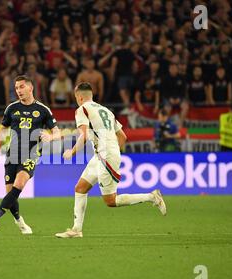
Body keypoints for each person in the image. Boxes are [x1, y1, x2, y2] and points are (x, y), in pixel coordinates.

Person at [55, 83, 166, 238]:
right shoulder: (106, 110)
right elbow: (123, 137)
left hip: (105, 155)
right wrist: (113, 151)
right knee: (80, 188)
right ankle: (76, 230)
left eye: (76, 98)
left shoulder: (82, 109)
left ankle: (151, 196)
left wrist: (72, 152)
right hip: (102, 155)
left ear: (79, 97)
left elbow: (84, 135)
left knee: (111, 201)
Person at [0, 75, 60, 234]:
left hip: (31, 154)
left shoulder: (42, 109)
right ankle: (19, 221)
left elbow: (57, 132)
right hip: (12, 154)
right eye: (16, 88)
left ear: (30, 87)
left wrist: (50, 136)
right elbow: (3, 129)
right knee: (11, 194)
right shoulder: (11, 108)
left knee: (19, 184)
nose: (18, 91)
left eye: (21, 87)